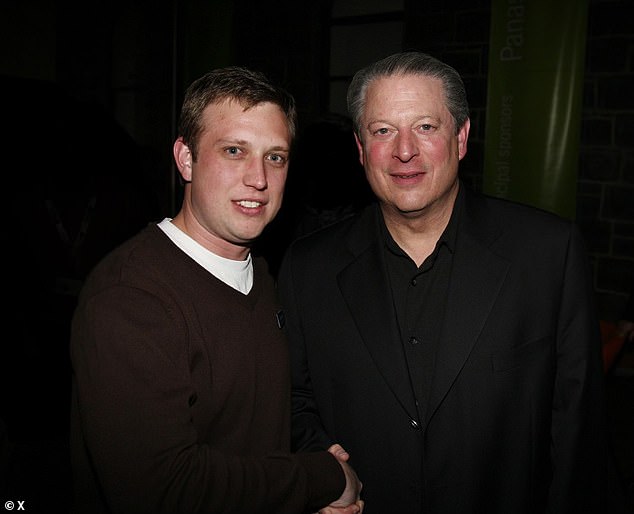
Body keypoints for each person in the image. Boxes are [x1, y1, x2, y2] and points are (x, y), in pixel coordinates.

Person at [277, 52, 610, 513]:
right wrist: (324, 473)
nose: (405, 150)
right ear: (360, 149)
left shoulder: (548, 255)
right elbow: (293, 400)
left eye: (426, 127)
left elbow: (579, 432)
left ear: (462, 137)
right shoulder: (307, 268)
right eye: (383, 130)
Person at [69, 66, 362, 514]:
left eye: (276, 157)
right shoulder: (131, 296)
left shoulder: (263, 276)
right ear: (186, 159)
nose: (258, 178)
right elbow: (160, 490)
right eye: (233, 151)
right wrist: (320, 478)